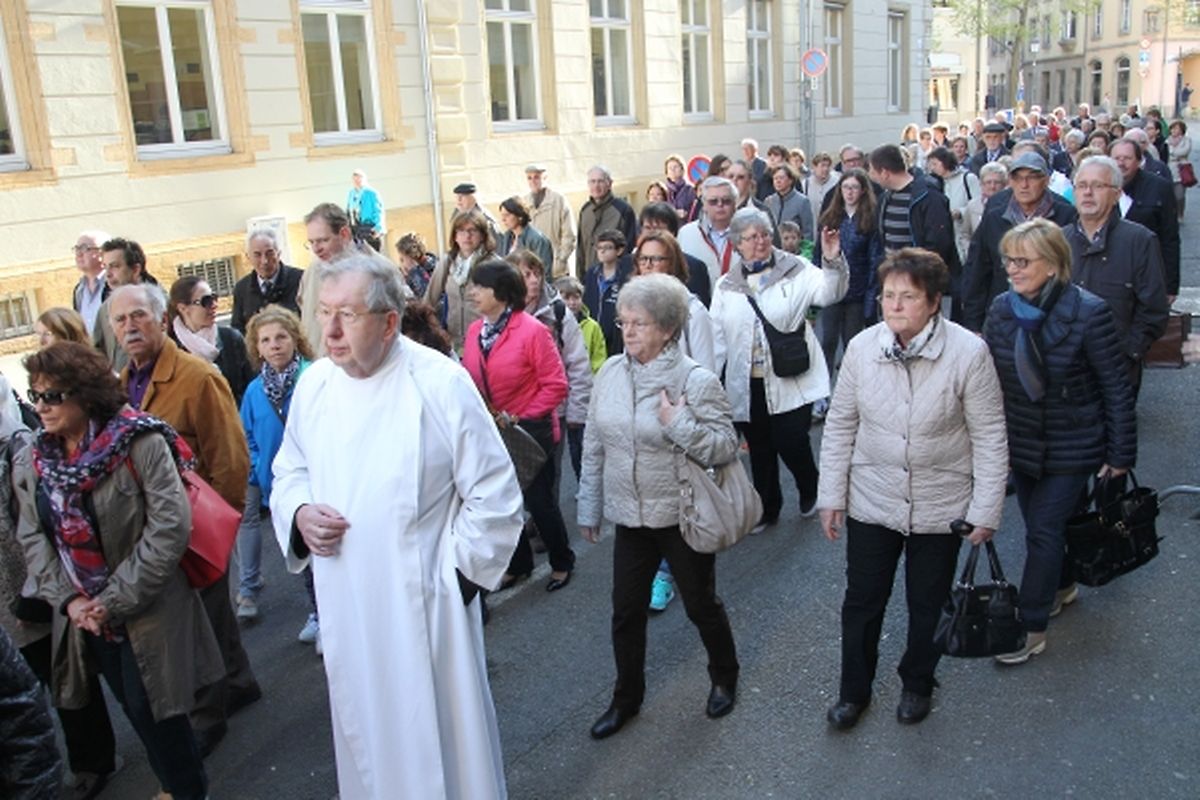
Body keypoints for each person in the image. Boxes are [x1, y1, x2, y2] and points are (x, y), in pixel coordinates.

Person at [270, 253, 523, 799]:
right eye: (324, 313)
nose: (330, 331)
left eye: (348, 315)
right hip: (348, 601)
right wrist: (299, 513)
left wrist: (456, 578)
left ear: (389, 322)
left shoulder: (439, 384)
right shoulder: (316, 387)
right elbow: (289, 469)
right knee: (367, 733)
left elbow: (495, 493)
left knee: (444, 744)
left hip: (427, 605)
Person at [15, 341, 224, 799]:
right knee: (134, 707)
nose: (42, 407)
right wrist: (71, 602)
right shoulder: (37, 458)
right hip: (85, 615)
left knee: (157, 710)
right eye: (36, 396)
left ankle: (186, 790)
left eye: (53, 396)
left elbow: (169, 527)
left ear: (86, 393)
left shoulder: (141, 440)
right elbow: (33, 536)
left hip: (146, 605)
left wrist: (110, 602)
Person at [819, 248, 1007, 730]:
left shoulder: (969, 352)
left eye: (907, 296)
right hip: (872, 498)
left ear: (934, 302)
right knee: (862, 601)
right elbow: (840, 424)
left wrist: (985, 509)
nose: (894, 305)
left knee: (928, 603)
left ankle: (918, 683)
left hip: (939, 505)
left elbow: (988, 434)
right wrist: (832, 496)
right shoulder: (862, 349)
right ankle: (852, 692)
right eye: (887, 296)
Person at [578, 273, 740, 740]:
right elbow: (593, 443)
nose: (627, 332)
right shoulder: (609, 372)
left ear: (668, 329)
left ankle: (724, 675)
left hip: (681, 514)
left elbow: (725, 446)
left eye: (640, 324)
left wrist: (678, 424)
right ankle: (626, 699)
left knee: (700, 605)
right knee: (625, 612)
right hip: (630, 517)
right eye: (624, 322)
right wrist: (589, 506)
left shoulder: (696, 379)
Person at [109, 283, 258, 758]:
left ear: (162, 318)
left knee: (201, 622)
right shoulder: (120, 384)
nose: (130, 327)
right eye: (120, 320)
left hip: (196, 526)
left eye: (139, 316)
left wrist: (220, 527)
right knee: (211, 616)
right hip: (154, 529)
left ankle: (207, 716)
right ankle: (239, 681)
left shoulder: (196, 376)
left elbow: (231, 459)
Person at [983, 219, 1137, 664]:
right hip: (1023, 443)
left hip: (1074, 444)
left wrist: (1120, 455)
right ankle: (1063, 585)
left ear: (1052, 265)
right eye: (1009, 259)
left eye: (1023, 260)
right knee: (1043, 528)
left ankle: (1029, 625)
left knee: (1045, 530)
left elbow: (1115, 387)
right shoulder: (1001, 310)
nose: (1012, 268)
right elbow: (989, 381)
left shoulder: (1089, 311)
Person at [709, 208, 848, 527]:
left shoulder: (794, 268)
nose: (760, 242)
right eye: (752, 237)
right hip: (747, 381)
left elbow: (831, 293)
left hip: (790, 375)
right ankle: (767, 508)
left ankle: (809, 486)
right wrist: (710, 378)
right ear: (737, 244)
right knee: (759, 447)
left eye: (765, 234)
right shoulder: (726, 285)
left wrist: (833, 261)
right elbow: (717, 335)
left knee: (791, 439)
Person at [461, 259, 574, 593]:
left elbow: (556, 385)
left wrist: (521, 416)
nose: (472, 292)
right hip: (492, 432)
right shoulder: (473, 332)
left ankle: (562, 561)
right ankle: (519, 564)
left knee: (540, 504)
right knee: (504, 504)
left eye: (480, 286)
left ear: (503, 292)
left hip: (530, 432)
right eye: (472, 285)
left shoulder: (532, 330)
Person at [234, 306, 317, 632]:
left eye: (281, 337)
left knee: (317, 551)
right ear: (257, 347)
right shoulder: (255, 391)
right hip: (276, 483)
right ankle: (318, 610)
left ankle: (323, 615)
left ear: (295, 338)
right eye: (265, 340)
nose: (275, 345)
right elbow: (248, 436)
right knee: (296, 549)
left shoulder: (313, 376)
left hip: (314, 477)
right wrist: (257, 467)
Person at [1063, 156, 1170, 393]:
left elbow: (1154, 309)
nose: (1088, 193)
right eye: (1082, 185)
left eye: (1098, 186)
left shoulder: (1139, 240)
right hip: (1063, 372)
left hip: (1117, 371)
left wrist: (1129, 353)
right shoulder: (1058, 241)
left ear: (1116, 194)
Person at [961, 152, 1078, 332]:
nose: (1024, 185)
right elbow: (977, 271)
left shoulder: (1065, 215)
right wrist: (973, 325)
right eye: (1018, 178)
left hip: (1053, 315)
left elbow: (1070, 270)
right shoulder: (995, 217)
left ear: (1046, 181)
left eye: (1032, 178)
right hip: (1003, 314)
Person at [511, 248, 593, 505]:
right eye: (526, 275)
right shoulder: (503, 310)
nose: (534, 280)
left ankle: (544, 525)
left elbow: (578, 364)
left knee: (549, 473)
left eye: (537, 273)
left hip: (552, 410)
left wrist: (577, 412)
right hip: (513, 409)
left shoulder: (557, 312)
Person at [813, 168, 885, 417]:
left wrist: (870, 296)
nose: (850, 192)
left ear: (863, 190)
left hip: (857, 292)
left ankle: (852, 399)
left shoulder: (870, 219)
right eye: (846, 187)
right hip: (833, 291)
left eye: (854, 188)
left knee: (854, 346)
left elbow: (875, 259)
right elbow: (817, 257)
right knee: (827, 342)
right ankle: (821, 396)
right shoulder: (831, 217)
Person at [868, 144, 962, 318]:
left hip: (923, 282)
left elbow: (939, 244)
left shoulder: (929, 198)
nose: (871, 176)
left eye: (872, 171)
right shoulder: (884, 199)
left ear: (885, 172)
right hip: (894, 280)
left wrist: (915, 274)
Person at [168, 277, 255, 405]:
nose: (214, 305)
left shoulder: (231, 338)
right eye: (206, 301)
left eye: (214, 298)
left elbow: (250, 388)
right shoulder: (171, 349)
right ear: (183, 308)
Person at [1111, 139, 1181, 299]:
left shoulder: (1160, 187)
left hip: (1148, 274)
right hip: (1111, 275)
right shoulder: (1100, 187)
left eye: (1127, 158)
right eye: (1116, 158)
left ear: (1139, 161)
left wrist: (1171, 286)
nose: (1121, 163)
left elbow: (1170, 238)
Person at [425, 211, 496, 352]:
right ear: (455, 236)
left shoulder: (493, 264)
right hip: (454, 342)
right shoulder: (448, 262)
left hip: (485, 341)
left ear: (482, 235)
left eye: (472, 231)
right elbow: (429, 300)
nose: (467, 236)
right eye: (461, 231)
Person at [299, 203, 360, 354]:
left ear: (344, 234)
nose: (316, 249)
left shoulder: (378, 272)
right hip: (318, 366)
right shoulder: (311, 272)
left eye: (323, 240)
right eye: (311, 242)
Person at [93, 237, 158, 371]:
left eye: (115, 266)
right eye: (105, 267)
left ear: (135, 269)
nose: (108, 275)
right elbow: (98, 354)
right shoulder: (105, 309)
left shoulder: (159, 304)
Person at [231, 228, 303, 334]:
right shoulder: (241, 288)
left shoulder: (301, 279)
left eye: (270, 253)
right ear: (248, 257)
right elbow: (238, 330)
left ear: (278, 254)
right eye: (257, 255)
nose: (264, 261)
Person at [678, 177, 742, 296]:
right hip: (699, 306)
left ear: (735, 204)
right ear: (704, 205)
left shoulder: (748, 232)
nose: (720, 205)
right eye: (713, 201)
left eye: (726, 201)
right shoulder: (686, 234)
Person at [576, 166, 639, 277]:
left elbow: (629, 247)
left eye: (600, 181)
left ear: (609, 183)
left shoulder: (623, 210)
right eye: (592, 181)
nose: (596, 185)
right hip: (590, 276)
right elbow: (581, 248)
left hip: (614, 276)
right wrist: (580, 276)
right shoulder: (585, 211)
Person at [924, 146, 980, 265]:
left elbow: (979, 204)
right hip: (950, 236)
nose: (933, 168)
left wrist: (960, 212)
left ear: (945, 162)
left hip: (966, 233)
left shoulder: (968, 178)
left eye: (935, 164)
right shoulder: (938, 183)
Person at [582, 229, 632, 357]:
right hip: (593, 331)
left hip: (616, 335)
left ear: (619, 250)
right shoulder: (591, 273)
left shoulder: (626, 276)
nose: (602, 251)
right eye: (599, 247)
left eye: (607, 247)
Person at [523, 165, 577, 278]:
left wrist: (561, 259)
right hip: (533, 270)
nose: (533, 181)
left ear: (545, 177)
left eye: (536, 177)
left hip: (556, 269)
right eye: (529, 178)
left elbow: (569, 234)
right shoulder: (524, 202)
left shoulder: (559, 200)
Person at [555, 276, 606, 374]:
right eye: (566, 298)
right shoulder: (552, 325)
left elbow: (599, 358)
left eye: (576, 297)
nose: (572, 302)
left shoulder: (593, 326)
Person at [71, 230, 111, 337]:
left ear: (102, 252)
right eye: (76, 249)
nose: (79, 254)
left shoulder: (113, 284)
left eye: (84, 248)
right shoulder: (79, 290)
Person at [496, 196, 554, 269]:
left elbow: (544, 270)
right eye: (502, 215)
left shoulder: (537, 239)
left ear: (520, 216)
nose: (503, 219)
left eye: (507, 215)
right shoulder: (507, 237)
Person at [764, 164, 815, 245]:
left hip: (794, 250)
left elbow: (808, 232)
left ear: (790, 180)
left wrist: (805, 252)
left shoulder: (802, 201)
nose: (778, 181)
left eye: (781, 178)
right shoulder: (769, 201)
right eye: (775, 178)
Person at [962, 162, 1008, 248]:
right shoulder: (973, 206)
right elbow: (965, 233)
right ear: (981, 184)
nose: (992, 186)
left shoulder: (1010, 205)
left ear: (1004, 184)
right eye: (988, 182)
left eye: (997, 182)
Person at [801, 152, 840, 231]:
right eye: (822, 165)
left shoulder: (837, 182)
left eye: (828, 166)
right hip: (812, 226)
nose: (825, 169)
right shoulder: (806, 184)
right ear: (814, 167)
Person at [346, 168, 383, 251]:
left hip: (368, 227)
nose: (357, 181)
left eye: (359, 178)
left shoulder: (372, 193)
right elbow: (348, 210)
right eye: (355, 179)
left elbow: (378, 211)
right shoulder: (351, 193)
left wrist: (378, 228)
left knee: (371, 254)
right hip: (355, 228)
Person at [394, 231, 437, 298]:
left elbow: (427, 297)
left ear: (411, 256)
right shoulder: (412, 274)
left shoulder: (434, 268)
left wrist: (413, 270)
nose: (401, 265)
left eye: (402, 259)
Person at [1166, 119, 1193, 220]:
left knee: (1180, 196)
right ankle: (1172, 214)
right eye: (1172, 128)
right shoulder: (1167, 140)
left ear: (1182, 130)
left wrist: (1173, 153)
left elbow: (1184, 151)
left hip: (1181, 170)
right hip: (1169, 169)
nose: (1174, 130)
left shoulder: (1186, 140)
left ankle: (1180, 212)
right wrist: (1175, 154)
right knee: (1170, 195)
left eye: (1177, 128)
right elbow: (1165, 154)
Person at [663, 154, 696, 222]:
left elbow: (695, 210)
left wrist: (686, 213)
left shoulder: (690, 189)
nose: (673, 170)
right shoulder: (663, 189)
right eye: (670, 168)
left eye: (675, 167)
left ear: (682, 169)